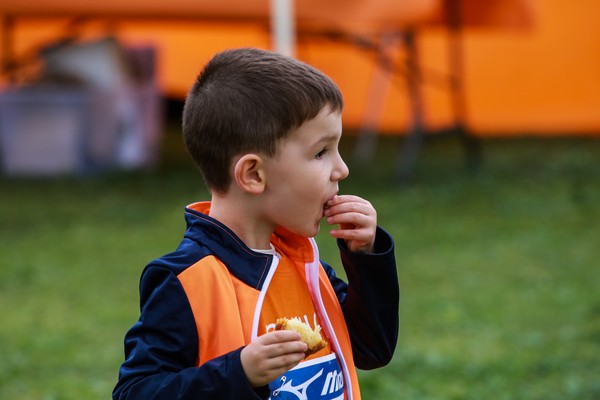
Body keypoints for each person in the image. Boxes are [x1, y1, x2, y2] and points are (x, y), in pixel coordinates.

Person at [113, 47, 399, 400]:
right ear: (253, 174)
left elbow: (372, 349)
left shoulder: (302, 263)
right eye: (321, 152)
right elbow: (135, 392)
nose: (342, 170)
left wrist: (368, 258)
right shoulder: (188, 281)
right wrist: (239, 372)